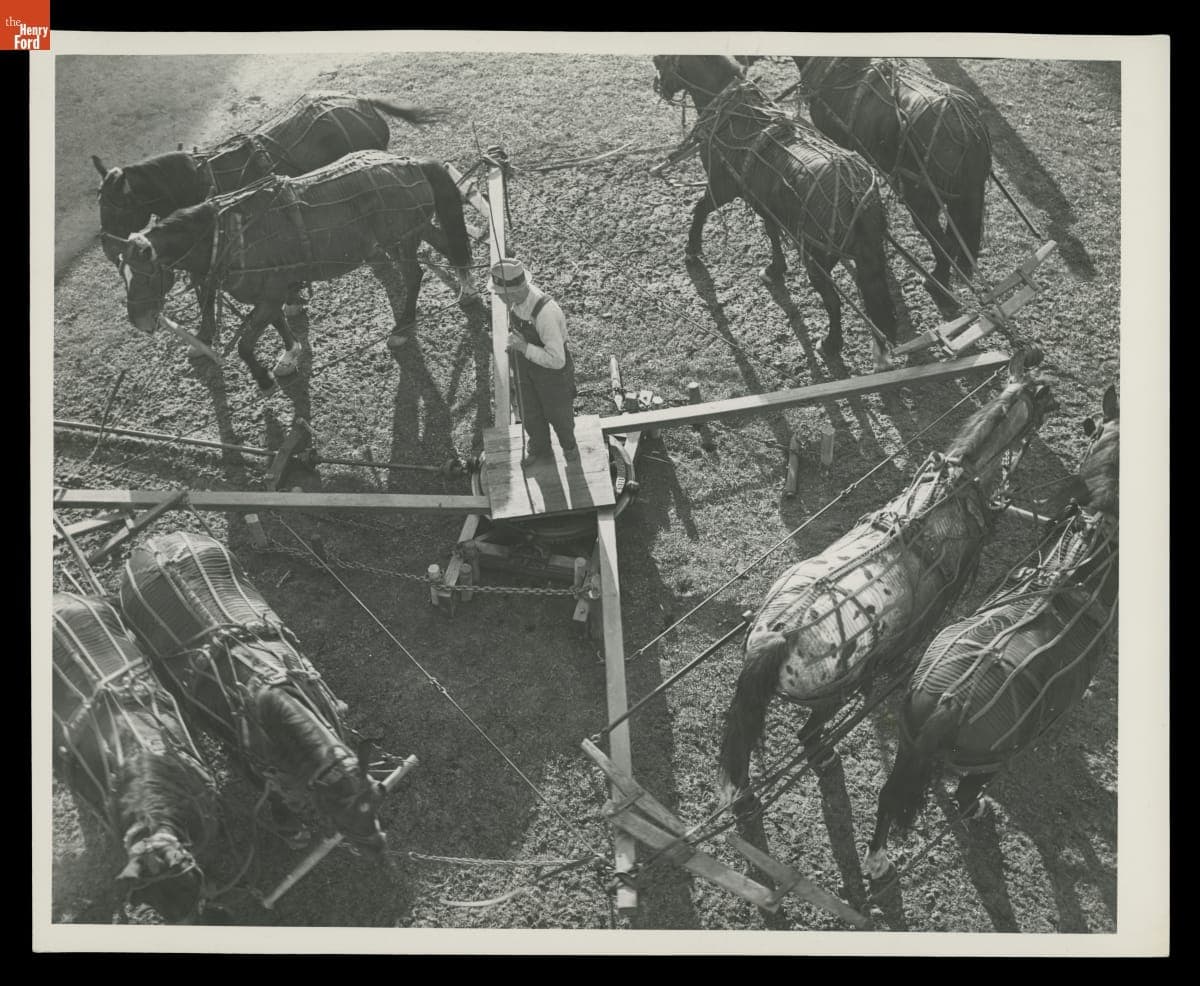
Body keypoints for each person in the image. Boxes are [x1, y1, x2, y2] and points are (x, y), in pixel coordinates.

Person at [492, 258, 578, 467]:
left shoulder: (545, 312)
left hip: (553, 376)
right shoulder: (517, 302)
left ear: (512, 292)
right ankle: (541, 450)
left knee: (559, 416)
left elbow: (557, 360)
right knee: (530, 414)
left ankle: (570, 450)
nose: (497, 297)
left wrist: (524, 348)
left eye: (499, 293)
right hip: (526, 368)